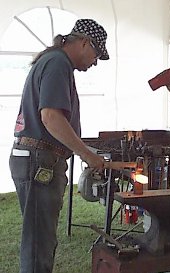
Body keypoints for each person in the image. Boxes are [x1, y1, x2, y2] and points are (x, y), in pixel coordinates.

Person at [9, 18, 109, 273]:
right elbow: (51, 117)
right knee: (38, 245)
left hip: (39, 159)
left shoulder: (56, 62)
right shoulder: (57, 63)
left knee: (41, 240)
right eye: (96, 53)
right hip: (39, 160)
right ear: (84, 42)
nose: (95, 61)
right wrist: (87, 154)